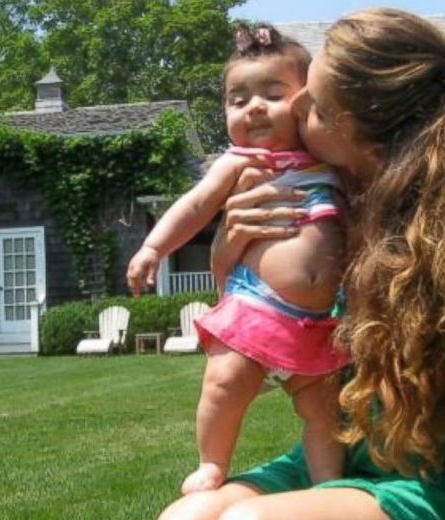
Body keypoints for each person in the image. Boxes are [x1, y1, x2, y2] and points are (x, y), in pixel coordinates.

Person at [147, 8, 445, 520]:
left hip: (436, 483)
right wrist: (227, 252)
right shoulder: (315, 204)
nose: (291, 108)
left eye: (312, 104)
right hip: (346, 454)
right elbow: (268, 325)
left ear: (362, 137)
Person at [126, 24, 348, 495]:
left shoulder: (327, 159)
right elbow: (195, 205)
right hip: (258, 307)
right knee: (224, 383)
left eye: (272, 93)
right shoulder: (238, 162)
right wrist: (153, 248)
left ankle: (330, 484)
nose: (254, 107)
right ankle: (211, 463)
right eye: (238, 99)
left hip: (318, 321)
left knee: (323, 409)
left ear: (307, 102)